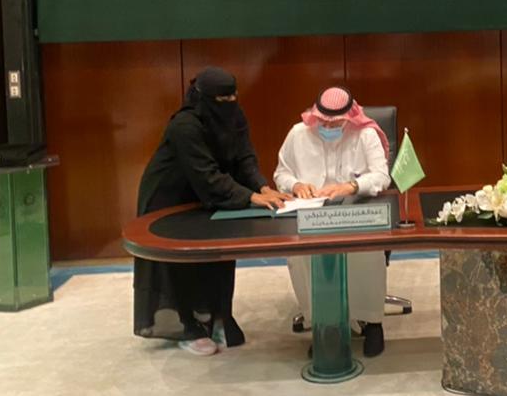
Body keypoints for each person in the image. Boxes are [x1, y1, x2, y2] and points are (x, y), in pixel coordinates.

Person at [133, 67, 288, 356]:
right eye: (222, 99)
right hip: (170, 197)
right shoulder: (184, 125)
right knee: (181, 262)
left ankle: (218, 317)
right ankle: (188, 326)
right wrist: (250, 196)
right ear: (204, 98)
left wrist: (263, 187)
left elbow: (245, 157)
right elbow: (206, 174)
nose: (229, 103)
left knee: (219, 255)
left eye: (233, 97)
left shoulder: (235, 114)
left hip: (213, 196)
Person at [275, 86, 392, 357]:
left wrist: (350, 186)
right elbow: (281, 173)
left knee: (366, 254)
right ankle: (323, 325)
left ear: (349, 118)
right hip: (310, 216)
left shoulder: (365, 134)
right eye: (323, 122)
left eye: (336, 123)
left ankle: (372, 322)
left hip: (355, 211)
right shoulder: (298, 134)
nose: (328, 127)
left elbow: (381, 176)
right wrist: (296, 185)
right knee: (302, 258)